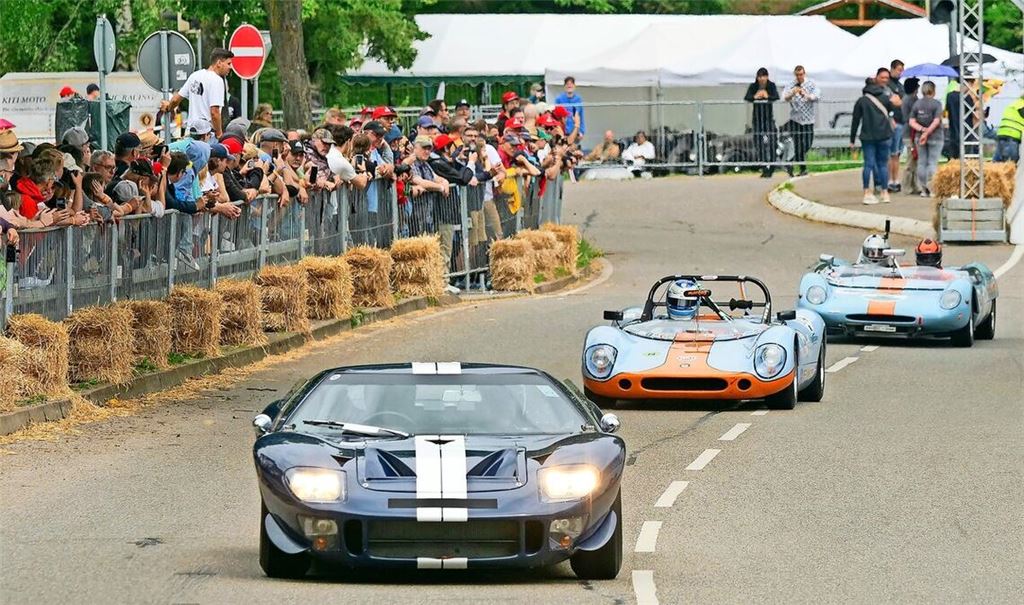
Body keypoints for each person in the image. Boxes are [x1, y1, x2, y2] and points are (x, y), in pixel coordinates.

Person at [159, 48, 234, 137]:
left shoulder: (195, 75)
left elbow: (175, 100)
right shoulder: (217, 81)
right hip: (207, 134)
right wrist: (219, 134)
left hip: (191, 131)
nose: (230, 67)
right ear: (219, 63)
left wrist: (168, 107)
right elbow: (214, 112)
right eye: (228, 63)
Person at [850, 73, 897, 204]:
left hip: (867, 136)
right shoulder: (885, 98)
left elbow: (855, 121)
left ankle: (866, 192)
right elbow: (892, 112)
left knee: (868, 164)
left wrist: (852, 139)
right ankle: (885, 192)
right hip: (884, 135)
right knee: (883, 164)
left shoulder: (861, 101)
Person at [782, 65, 820, 177]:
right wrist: (792, 92)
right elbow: (783, 97)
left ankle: (790, 162)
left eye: (801, 74)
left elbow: (818, 95)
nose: (799, 77)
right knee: (798, 145)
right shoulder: (791, 85)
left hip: (808, 120)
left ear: (804, 73)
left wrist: (807, 95)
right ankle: (803, 169)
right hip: (796, 120)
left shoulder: (811, 84)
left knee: (807, 144)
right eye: (797, 75)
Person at [909, 81, 944, 198]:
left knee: (921, 163)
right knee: (932, 163)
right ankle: (932, 189)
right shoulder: (937, 104)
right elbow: (936, 121)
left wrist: (922, 130)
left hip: (919, 137)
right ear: (933, 90)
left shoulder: (917, 104)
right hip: (936, 136)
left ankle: (923, 189)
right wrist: (928, 131)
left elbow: (911, 121)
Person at [744, 67, 780, 178]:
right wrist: (755, 96)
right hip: (757, 120)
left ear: (767, 77)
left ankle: (772, 166)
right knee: (759, 144)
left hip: (768, 119)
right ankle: (765, 167)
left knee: (773, 142)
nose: (761, 79)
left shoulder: (771, 85)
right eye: (759, 77)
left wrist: (767, 96)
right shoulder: (753, 86)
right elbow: (747, 97)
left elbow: (776, 96)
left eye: (763, 77)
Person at [884, 60, 906, 193]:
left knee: (897, 153)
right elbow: (893, 101)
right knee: (891, 153)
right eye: (899, 70)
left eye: (902, 70)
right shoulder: (888, 85)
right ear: (892, 69)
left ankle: (895, 179)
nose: (900, 72)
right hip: (893, 122)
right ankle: (887, 180)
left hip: (902, 122)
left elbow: (903, 101)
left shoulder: (900, 85)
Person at [900, 77, 920, 194]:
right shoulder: (910, 100)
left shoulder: (911, 98)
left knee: (914, 160)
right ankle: (907, 186)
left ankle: (913, 184)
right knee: (910, 160)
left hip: (911, 132)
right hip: (910, 133)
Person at [994, 93, 1024, 163]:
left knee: (998, 164)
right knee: (1010, 164)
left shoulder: (1015, 103)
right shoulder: (1022, 106)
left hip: (1002, 134)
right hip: (1012, 137)